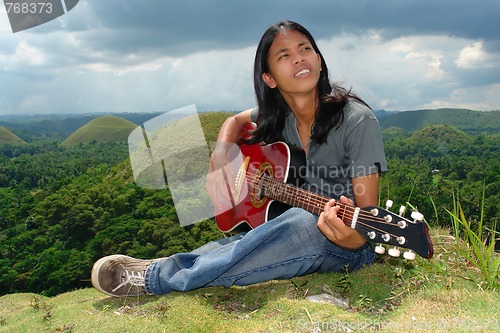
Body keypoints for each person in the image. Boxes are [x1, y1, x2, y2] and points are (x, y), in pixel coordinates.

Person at [91, 20, 387, 297]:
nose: (299, 58)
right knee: (244, 243)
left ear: (319, 61)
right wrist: (221, 154)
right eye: (284, 55)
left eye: (305, 49)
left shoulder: (357, 120)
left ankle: (153, 279)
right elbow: (234, 122)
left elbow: (368, 219)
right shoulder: (280, 117)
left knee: (300, 222)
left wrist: (355, 238)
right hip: (281, 229)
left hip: (344, 243)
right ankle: (162, 266)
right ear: (269, 78)